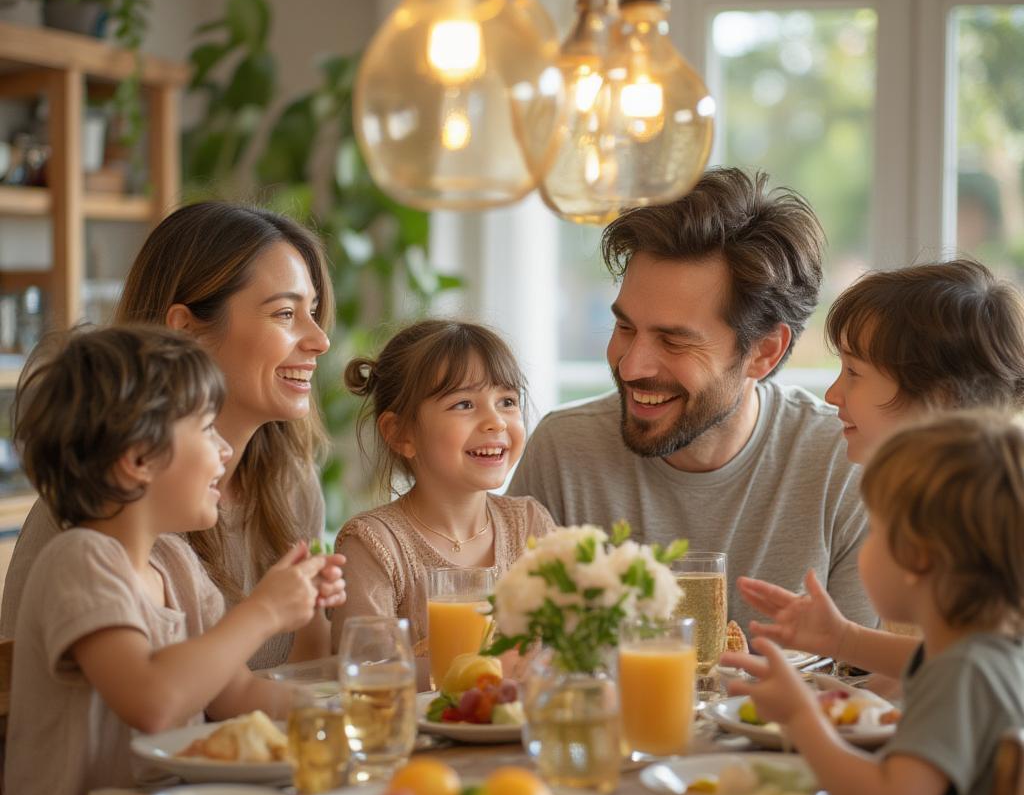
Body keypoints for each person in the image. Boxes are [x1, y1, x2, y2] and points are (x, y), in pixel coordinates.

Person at [3, 326, 344, 795]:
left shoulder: (176, 564)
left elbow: (237, 695)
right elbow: (153, 701)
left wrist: (342, 715)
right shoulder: (78, 561)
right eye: (207, 430)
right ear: (138, 460)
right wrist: (264, 612)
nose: (225, 450)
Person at [509, 167, 871, 631]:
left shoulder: (841, 466)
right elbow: (517, 664)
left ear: (764, 351)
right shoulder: (563, 453)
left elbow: (854, 690)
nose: (630, 365)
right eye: (625, 327)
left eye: (674, 341)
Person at [1, 202, 343, 667]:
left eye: (314, 312)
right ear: (186, 331)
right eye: (285, 314)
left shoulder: (292, 486)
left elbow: (284, 681)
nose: (320, 339)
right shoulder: (94, 508)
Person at [721, 410, 1024, 795]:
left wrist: (799, 717)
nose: (865, 547)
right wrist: (842, 639)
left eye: (875, 532)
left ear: (918, 557)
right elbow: (925, 665)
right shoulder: (995, 656)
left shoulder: (962, 675)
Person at [738, 259, 1024, 672]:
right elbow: (939, 667)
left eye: (854, 372)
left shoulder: (982, 527)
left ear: (939, 400)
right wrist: (842, 645)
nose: (833, 394)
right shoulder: (929, 504)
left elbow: (976, 677)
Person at [331, 320, 555, 672]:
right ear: (400, 433)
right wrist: (497, 664)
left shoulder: (530, 525)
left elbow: (569, 645)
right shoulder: (373, 545)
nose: (495, 421)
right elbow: (366, 670)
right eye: (464, 404)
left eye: (507, 401)